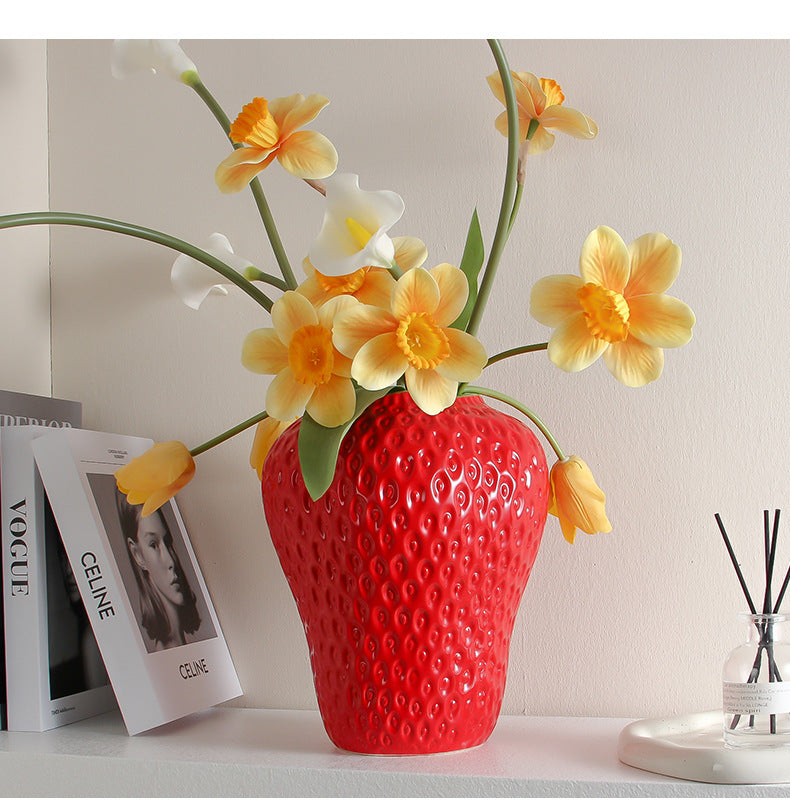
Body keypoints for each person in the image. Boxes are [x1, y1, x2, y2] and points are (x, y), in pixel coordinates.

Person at [114, 488, 201, 651]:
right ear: (137, 555)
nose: (171, 561)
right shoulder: (164, 653)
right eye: (153, 545)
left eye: (168, 542)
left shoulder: (187, 645)